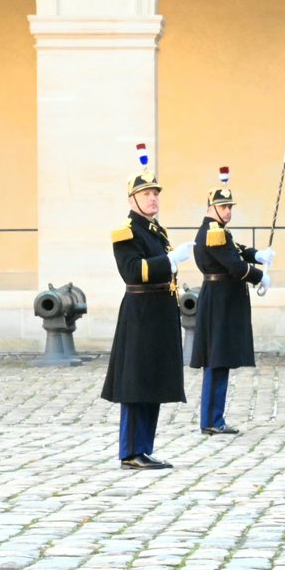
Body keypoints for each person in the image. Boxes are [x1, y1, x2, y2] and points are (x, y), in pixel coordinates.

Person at [103, 163, 186, 468]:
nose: (153, 198)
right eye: (146, 193)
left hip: (160, 314)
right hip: (140, 315)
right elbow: (133, 270)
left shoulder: (155, 230)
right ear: (131, 200)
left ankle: (144, 448)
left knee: (153, 382)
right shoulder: (126, 233)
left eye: (154, 193)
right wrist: (170, 260)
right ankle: (130, 451)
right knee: (136, 384)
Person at [189, 170, 270, 436]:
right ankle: (212, 420)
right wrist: (259, 276)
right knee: (216, 360)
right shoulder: (213, 232)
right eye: (223, 207)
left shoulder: (219, 232)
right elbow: (234, 265)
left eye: (230, 207)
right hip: (220, 301)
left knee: (219, 360)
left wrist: (257, 254)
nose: (228, 211)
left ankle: (214, 418)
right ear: (211, 207)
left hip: (221, 300)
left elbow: (235, 249)